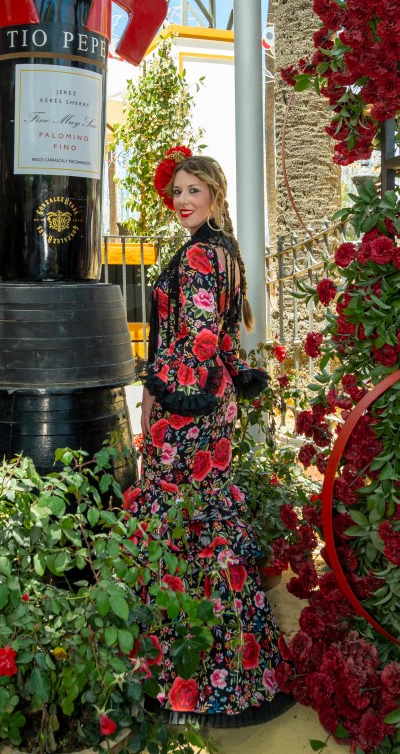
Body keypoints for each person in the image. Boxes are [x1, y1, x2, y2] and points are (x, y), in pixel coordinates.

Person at [129, 146, 292, 726]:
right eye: (176, 192)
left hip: (190, 406)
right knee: (211, 521)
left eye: (193, 190)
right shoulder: (225, 253)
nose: (181, 201)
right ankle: (242, 671)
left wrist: (163, 395)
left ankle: (186, 678)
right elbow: (221, 337)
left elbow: (197, 338)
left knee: (181, 522)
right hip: (212, 402)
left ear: (216, 195)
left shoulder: (200, 255)